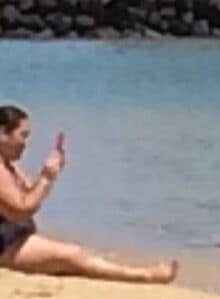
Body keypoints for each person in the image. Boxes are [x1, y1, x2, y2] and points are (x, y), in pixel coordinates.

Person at [0, 105, 178, 284]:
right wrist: (46, 178)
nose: (25, 144)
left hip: (15, 238)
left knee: (73, 256)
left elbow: (28, 193)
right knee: (72, 255)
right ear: (2, 133)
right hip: (6, 247)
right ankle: (144, 275)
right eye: (22, 136)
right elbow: (20, 211)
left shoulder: (8, 164)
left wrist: (47, 174)